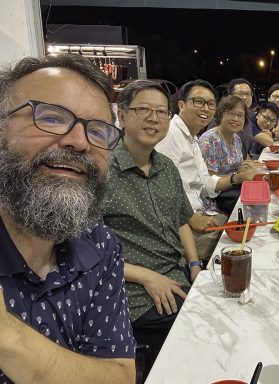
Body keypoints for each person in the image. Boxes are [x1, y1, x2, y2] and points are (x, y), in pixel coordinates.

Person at [0, 54, 135, 383]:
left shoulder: (99, 244)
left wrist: (5, 336)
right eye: (51, 117)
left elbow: (120, 375)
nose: (78, 142)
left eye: (98, 132)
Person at [103, 80, 201, 363]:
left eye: (161, 112)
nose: (153, 118)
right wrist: (147, 276)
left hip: (177, 273)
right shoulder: (103, 172)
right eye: (143, 109)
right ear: (121, 116)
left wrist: (195, 265)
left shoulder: (166, 167)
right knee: (203, 323)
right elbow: (85, 253)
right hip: (136, 289)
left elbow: (182, 219)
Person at [155, 79, 259, 264]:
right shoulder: (170, 135)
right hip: (182, 222)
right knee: (240, 247)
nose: (205, 108)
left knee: (250, 226)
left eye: (210, 104)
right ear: (181, 104)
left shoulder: (192, 138)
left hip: (201, 211)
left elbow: (205, 182)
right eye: (198, 102)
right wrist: (190, 216)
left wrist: (238, 177)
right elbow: (159, 190)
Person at [198, 95, 262, 214]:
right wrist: (239, 174)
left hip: (234, 187)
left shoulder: (236, 138)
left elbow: (236, 165)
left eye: (240, 115)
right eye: (231, 113)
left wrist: (247, 165)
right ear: (221, 114)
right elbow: (209, 180)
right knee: (255, 206)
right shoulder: (210, 140)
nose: (236, 119)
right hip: (216, 197)